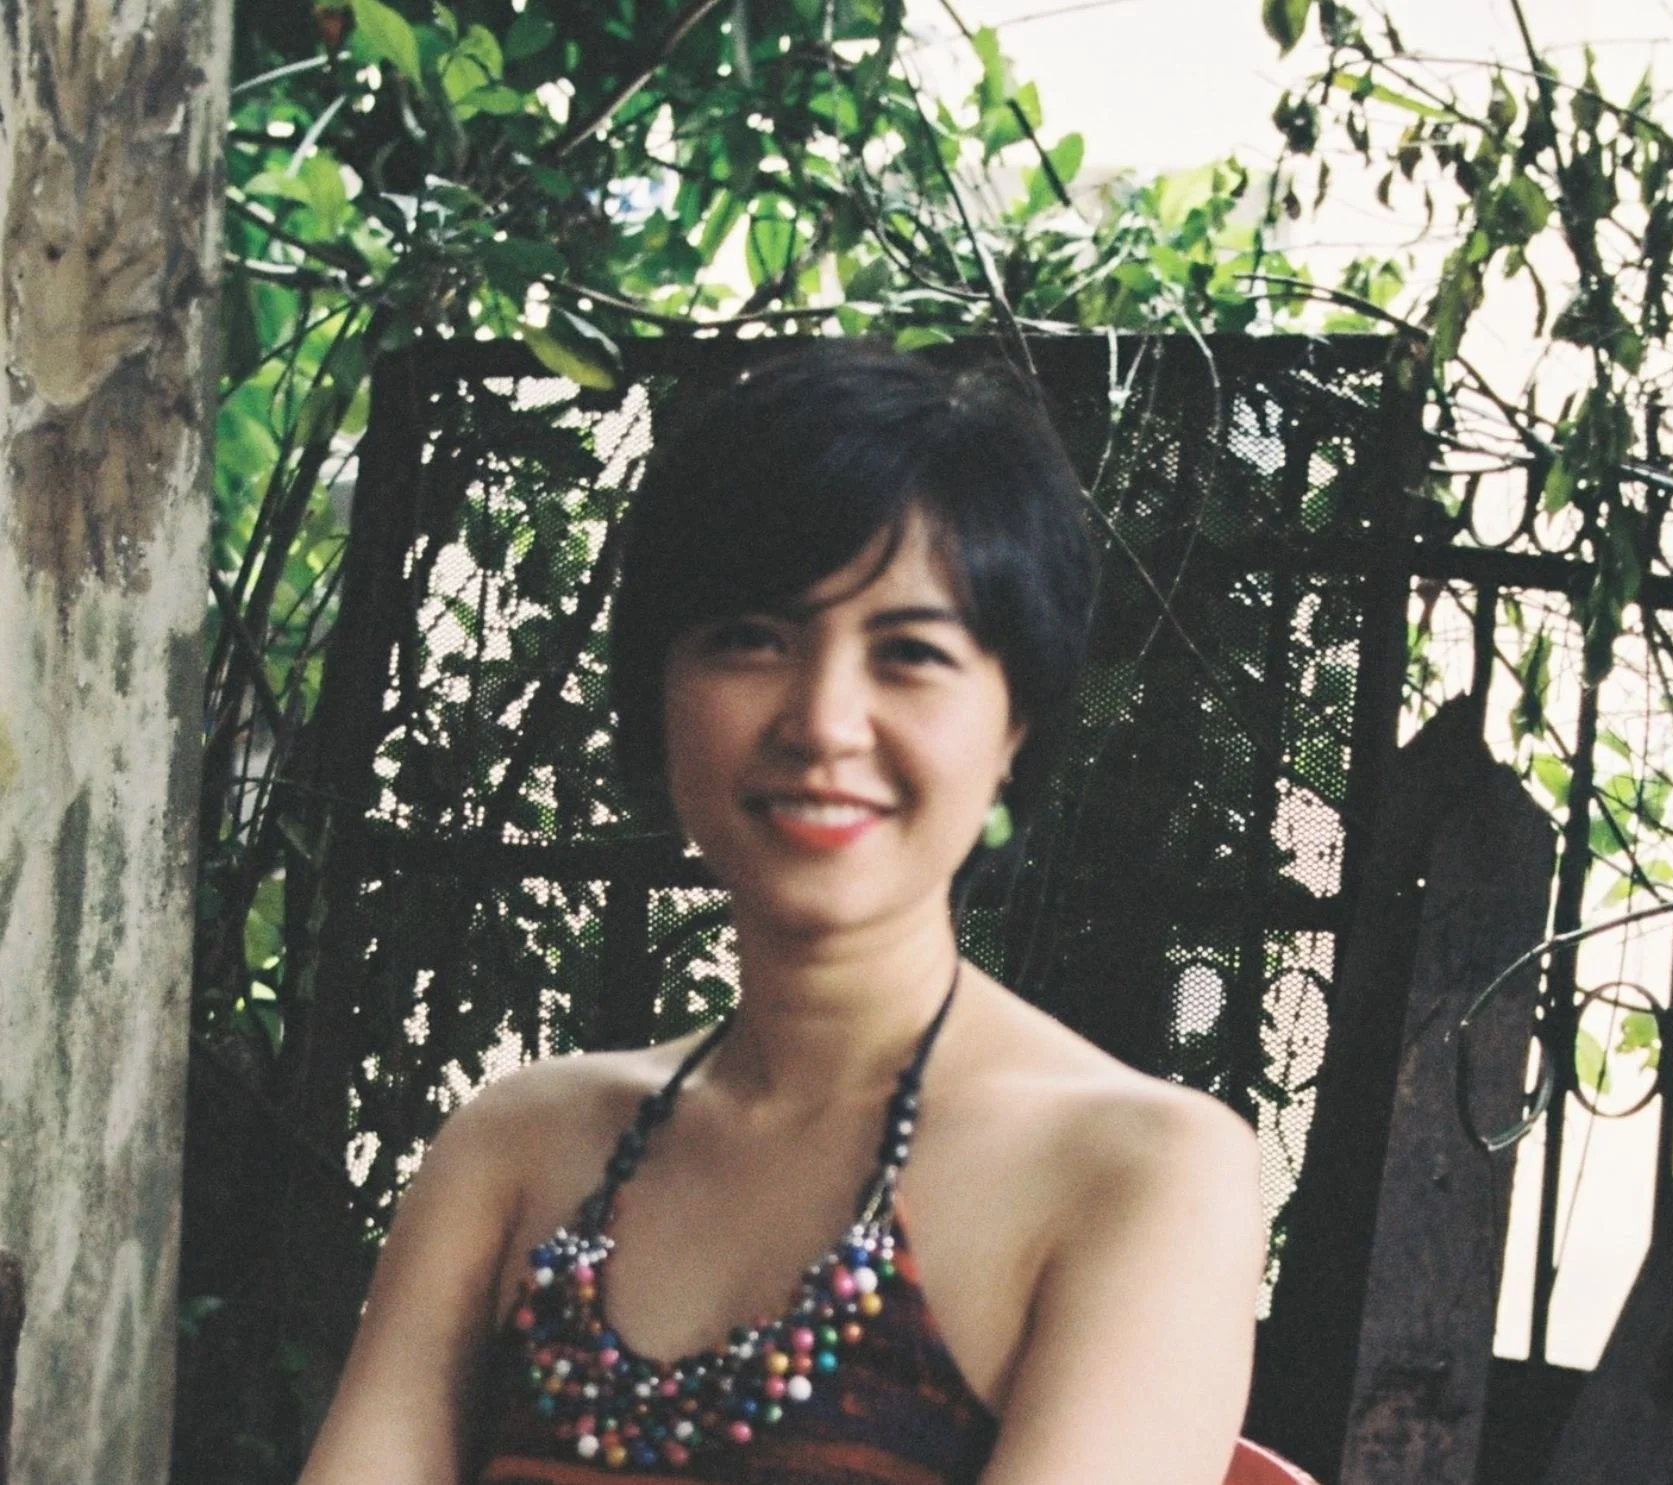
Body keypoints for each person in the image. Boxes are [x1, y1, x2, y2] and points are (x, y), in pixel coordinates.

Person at [296, 343, 1267, 1485]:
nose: (822, 721)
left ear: (1014, 726)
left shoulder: (1139, 1173)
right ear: (659, 694)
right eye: (752, 639)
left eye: (910, 653)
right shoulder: (515, 1150)